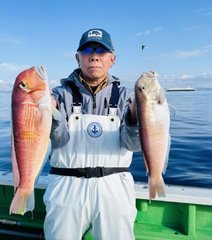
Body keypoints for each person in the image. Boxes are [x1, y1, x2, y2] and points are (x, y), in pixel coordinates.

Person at [43, 28, 140, 240]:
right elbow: (58, 141)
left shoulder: (127, 97)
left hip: (115, 186)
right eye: (87, 50)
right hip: (65, 184)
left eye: (101, 51)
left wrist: (133, 118)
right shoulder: (59, 95)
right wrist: (50, 114)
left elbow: (133, 145)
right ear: (78, 58)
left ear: (112, 59)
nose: (94, 55)